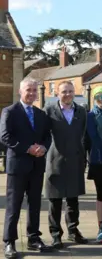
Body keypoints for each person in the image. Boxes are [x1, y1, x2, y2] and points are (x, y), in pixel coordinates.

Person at [1, 79, 53, 258]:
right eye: (28, 90)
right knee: (13, 206)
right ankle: (9, 242)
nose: (31, 93)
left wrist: (44, 148)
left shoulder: (41, 114)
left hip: (37, 165)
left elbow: (47, 136)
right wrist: (27, 148)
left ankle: (33, 238)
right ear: (20, 91)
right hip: (17, 166)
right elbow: (5, 136)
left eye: (34, 90)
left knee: (35, 204)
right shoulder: (9, 111)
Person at [44, 81, 88, 248]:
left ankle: (73, 231)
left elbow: (83, 135)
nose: (68, 94)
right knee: (54, 201)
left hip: (75, 160)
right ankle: (56, 234)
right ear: (57, 93)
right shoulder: (48, 111)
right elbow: (43, 135)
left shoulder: (81, 111)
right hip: (55, 161)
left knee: (73, 200)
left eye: (70, 91)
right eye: (64, 92)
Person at [85, 86, 102, 243]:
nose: (101, 99)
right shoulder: (90, 115)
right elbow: (94, 138)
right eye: (98, 96)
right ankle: (101, 228)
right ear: (94, 98)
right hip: (100, 160)